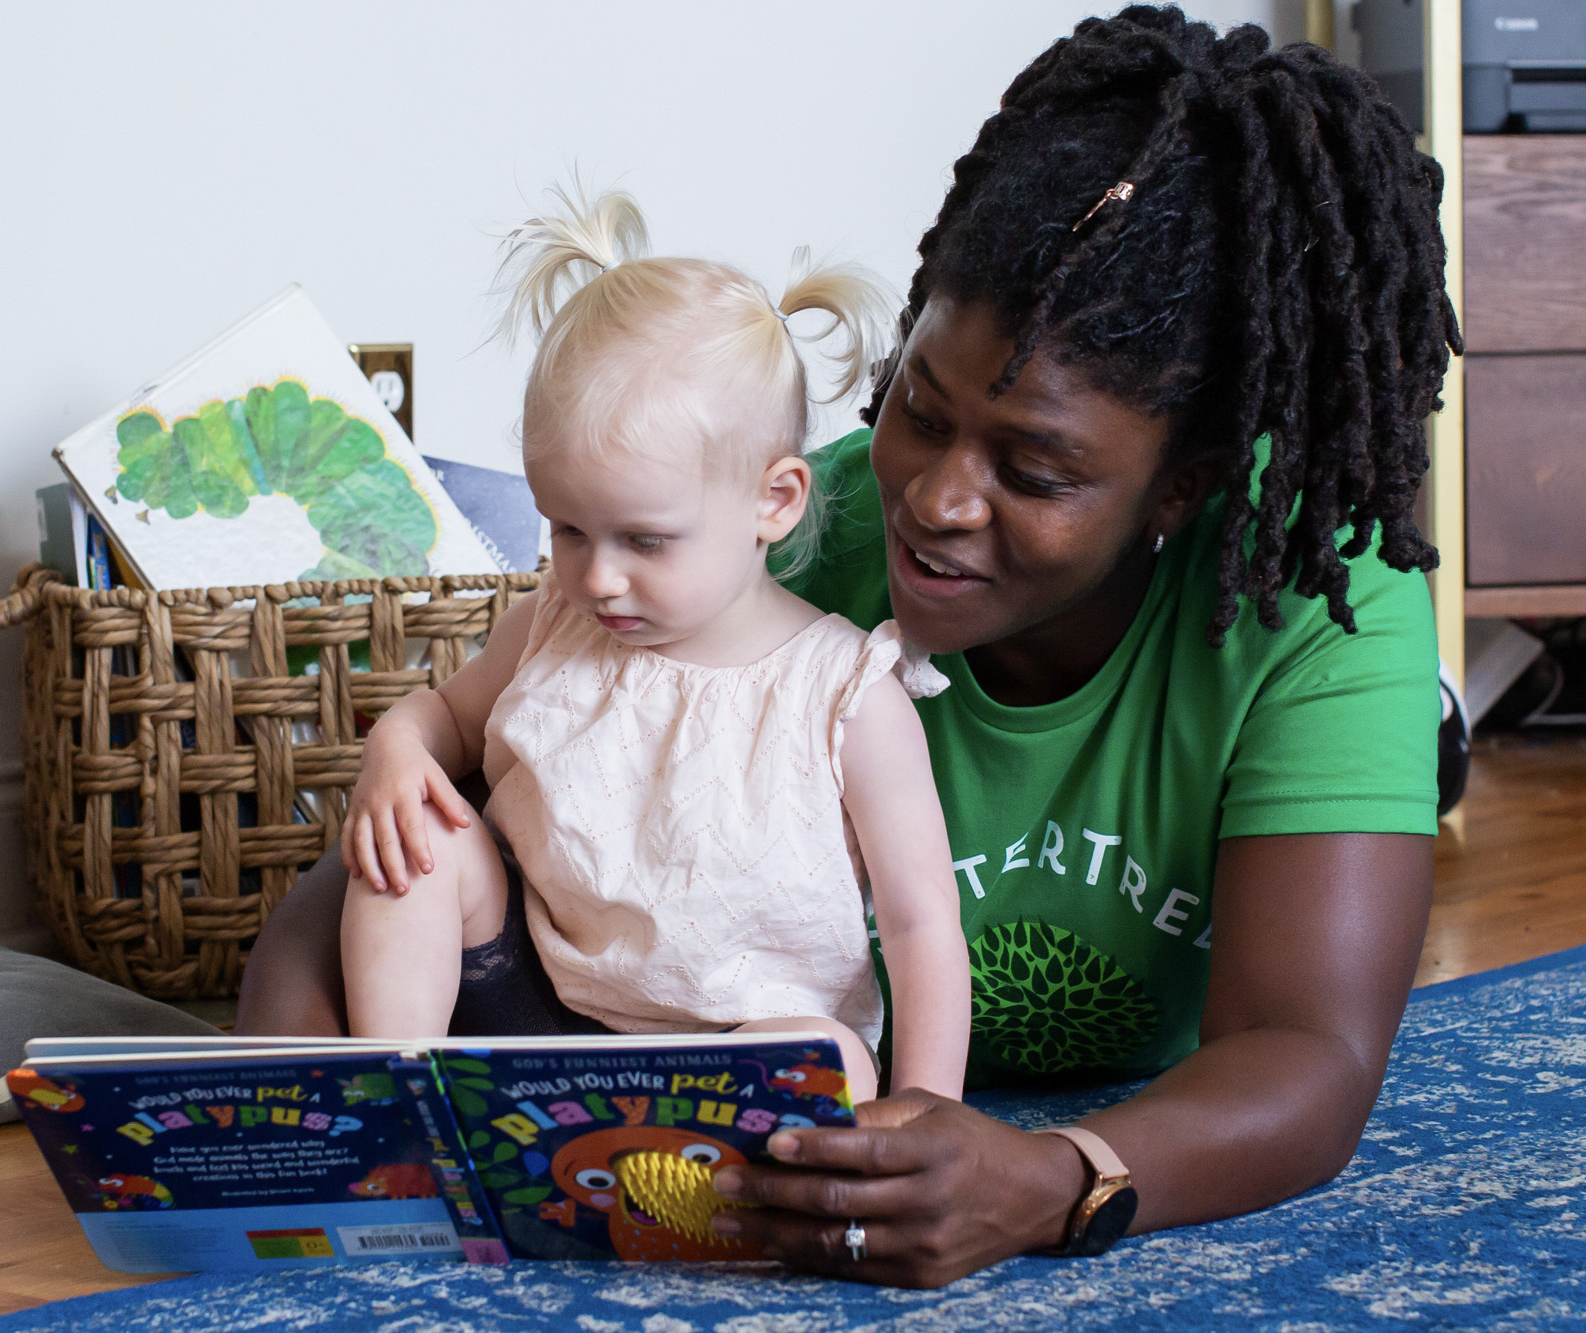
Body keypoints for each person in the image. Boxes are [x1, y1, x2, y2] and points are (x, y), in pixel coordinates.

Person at [236, 5, 1454, 1286]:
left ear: (1178, 488)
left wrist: (1045, 1178)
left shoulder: (1315, 591)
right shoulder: (756, 551)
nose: (935, 498)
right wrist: (325, 1145)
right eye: (917, 409)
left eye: (1032, 471)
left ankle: (1422, 743)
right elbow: (398, 867)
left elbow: (1304, 1049)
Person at [337, 186, 971, 1102]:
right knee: (418, 840)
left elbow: (921, 925)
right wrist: (394, 749)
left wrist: (928, 1109)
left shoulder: (846, 693)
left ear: (775, 501)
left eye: (644, 540)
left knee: (831, 1057)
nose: (597, 577)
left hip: (735, 1049)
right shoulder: (556, 623)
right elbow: (444, 716)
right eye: (568, 530)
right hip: (535, 1014)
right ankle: (390, 1098)